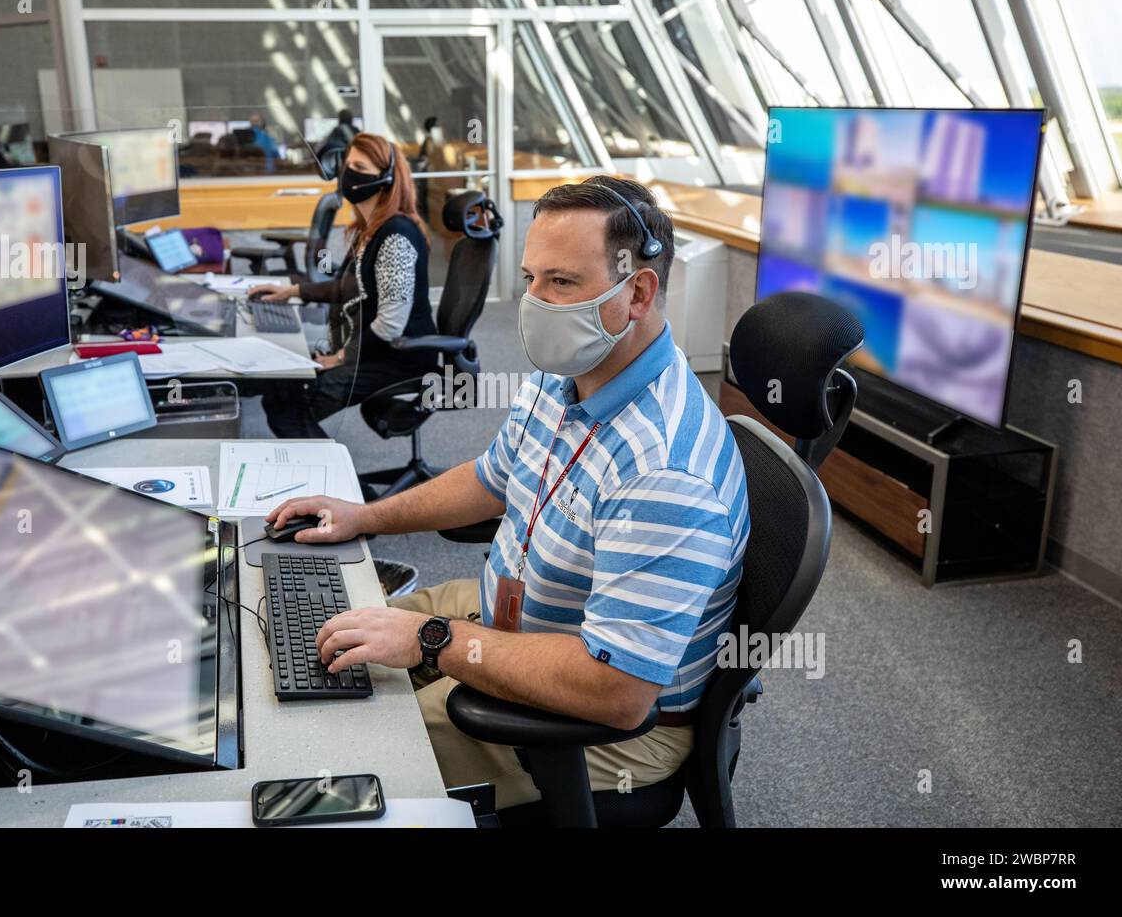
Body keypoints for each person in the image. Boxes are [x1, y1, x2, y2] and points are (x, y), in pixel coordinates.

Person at [266, 176, 751, 809]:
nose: (536, 302)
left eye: (563, 283)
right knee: (309, 641)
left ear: (638, 292)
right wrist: (366, 516)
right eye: (530, 280)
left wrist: (434, 641)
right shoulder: (569, 376)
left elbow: (617, 690)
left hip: (604, 726)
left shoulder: (666, 471)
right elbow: (491, 478)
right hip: (509, 619)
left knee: (328, 760)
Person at [250, 132, 439, 439]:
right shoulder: (371, 228)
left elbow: (391, 323)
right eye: (348, 164)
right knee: (282, 394)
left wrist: (341, 357)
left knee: (288, 406)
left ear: (387, 178)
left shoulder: (397, 236)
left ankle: (341, 485)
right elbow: (353, 286)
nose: (349, 174)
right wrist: (294, 292)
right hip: (378, 349)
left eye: (361, 168)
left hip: (399, 357)